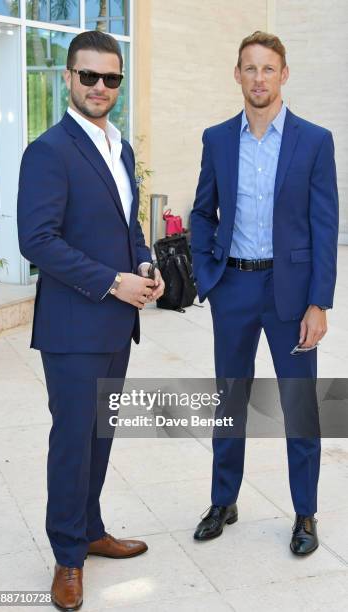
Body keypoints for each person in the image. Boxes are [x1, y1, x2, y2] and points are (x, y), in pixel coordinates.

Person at [17, 30, 164, 611]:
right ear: (68, 79)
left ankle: (92, 529)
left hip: (115, 326)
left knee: (100, 436)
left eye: (112, 78)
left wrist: (145, 261)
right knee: (73, 442)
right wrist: (111, 281)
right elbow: (37, 240)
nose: (101, 87)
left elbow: (127, 226)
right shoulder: (49, 151)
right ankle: (67, 558)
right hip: (74, 328)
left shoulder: (119, 148)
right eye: (89, 76)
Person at [190, 31, 338, 555]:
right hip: (233, 285)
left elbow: (325, 226)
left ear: (284, 75)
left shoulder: (314, 140)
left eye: (268, 69)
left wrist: (319, 302)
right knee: (229, 398)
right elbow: (202, 211)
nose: (259, 78)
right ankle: (223, 499)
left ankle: (304, 513)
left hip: (291, 292)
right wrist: (207, 273)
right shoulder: (216, 138)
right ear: (237, 75)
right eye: (249, 68)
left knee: (300, 405)